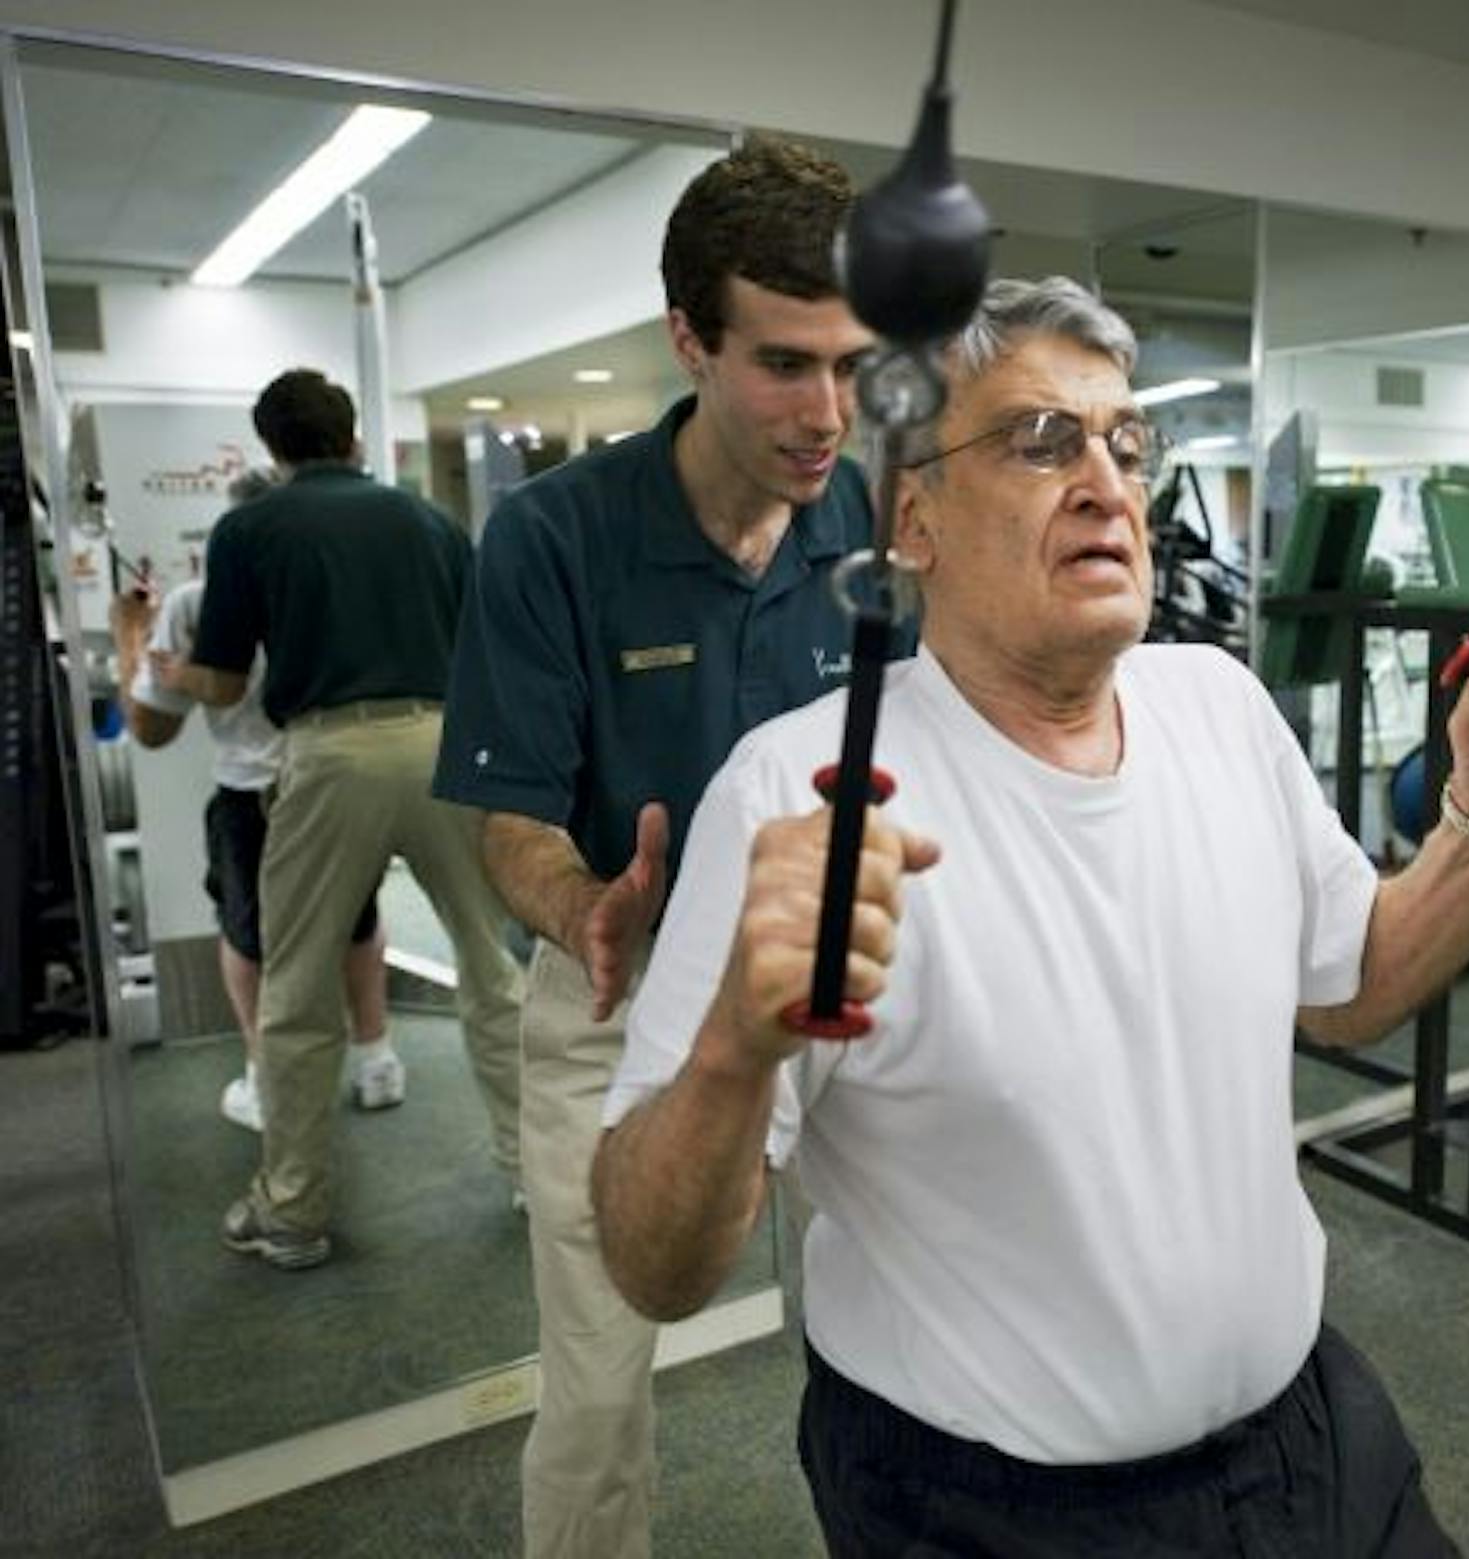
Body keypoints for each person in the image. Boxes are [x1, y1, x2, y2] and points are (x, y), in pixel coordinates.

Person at [592, 277, 1469, 1557]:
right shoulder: (789, 792)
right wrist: (731, 1054)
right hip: (995, 1509)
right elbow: (655, 1265)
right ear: (912, 517)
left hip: (1310, 1432)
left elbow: (1349, 979)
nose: (1105, 481)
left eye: (1124, 444)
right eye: (1040, 442)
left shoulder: (1220, 704)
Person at [432, 136, 889, 1559]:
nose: (829, 412)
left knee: (899, 1335)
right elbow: (508, 818)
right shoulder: (553, 539)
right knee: (598, 1385)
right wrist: (583, 910)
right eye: (785, 364)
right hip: (619, 995)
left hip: (836, 990)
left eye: (851, 364)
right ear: (689, 339)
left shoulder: (858, 517)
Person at [165, 369, 523, 1272]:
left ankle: (292, 1210)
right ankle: (536, 1170)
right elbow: (484, 645)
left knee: (294, 988)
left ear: (274, 452)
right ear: (355, 437)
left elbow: (219, 682)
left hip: (330, 753)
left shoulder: (250, 528)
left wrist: (161, 665)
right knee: (494, 969)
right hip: (448, 744)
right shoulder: (431, 521)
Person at [112, 470, 404, 1132]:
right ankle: (376, 1056)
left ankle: (266, 1080)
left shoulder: (197, 601)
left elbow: (153, 728)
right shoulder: (337, 589)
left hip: (254, 792)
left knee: (249, 934)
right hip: (335, 781)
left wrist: (133, 641)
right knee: (355, 917)